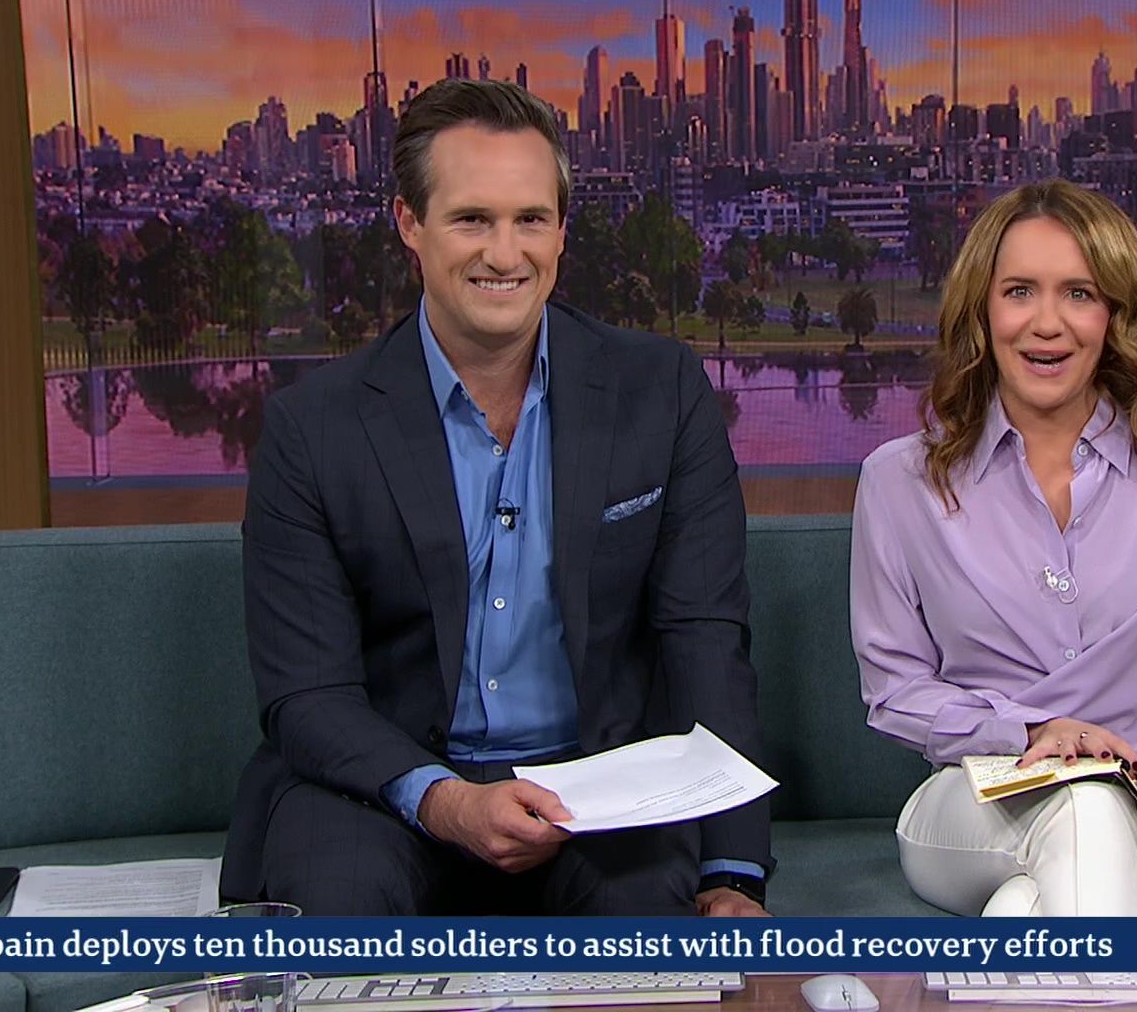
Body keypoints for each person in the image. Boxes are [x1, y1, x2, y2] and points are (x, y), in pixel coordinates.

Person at [221, 79, 770, 918]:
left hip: (595, 787)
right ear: (410, 224)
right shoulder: (313, 429)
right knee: (340, 901)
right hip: (382, 791)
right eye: (472, 219)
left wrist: (732, 872)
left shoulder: (661, 392)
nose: (505, 254)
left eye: (530, 220)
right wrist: (447, 802)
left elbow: (705, 638)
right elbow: (308, 696)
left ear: (562, 230)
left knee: (643, 921)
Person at [849, 179, 1137, 918]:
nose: (1047, 323)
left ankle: (1018, 935)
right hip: (983, 798)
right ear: (983, 310)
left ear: (1115, 315)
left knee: (1054, 883)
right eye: (1019, 292)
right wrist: (1031, 731)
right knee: (1088, 812)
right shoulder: (900, 482)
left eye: (1079, 294)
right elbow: (895, 691)